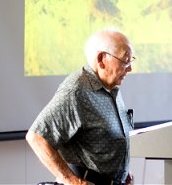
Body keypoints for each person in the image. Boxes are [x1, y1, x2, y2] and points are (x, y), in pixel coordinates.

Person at [26, 28, 135, 185]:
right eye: (125, 60)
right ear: (102, 59)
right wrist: (69, 179)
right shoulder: (76, 91)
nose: (130, 68)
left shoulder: (111, 89)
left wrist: (122, 174)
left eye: (131, 60)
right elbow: (37, 137)